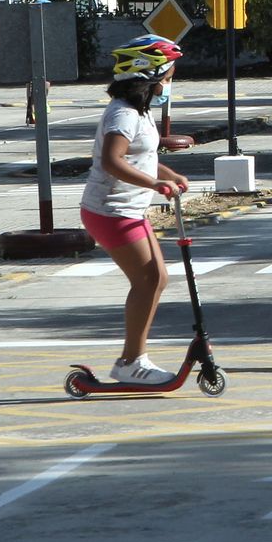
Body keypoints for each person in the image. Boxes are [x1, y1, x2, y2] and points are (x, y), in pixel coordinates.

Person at [78, 34, 191, 386]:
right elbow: (112, 161)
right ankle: (130, 362)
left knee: (157, 278)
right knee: (147, 281)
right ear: (151, 75)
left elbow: (142, 158)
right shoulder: (122, 115)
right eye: (169, 76)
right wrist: (154, 185)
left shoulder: (140, 113)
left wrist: (168, 174)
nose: (171, 83)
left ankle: (134, 357)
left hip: (127, 209)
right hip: (111, 210)